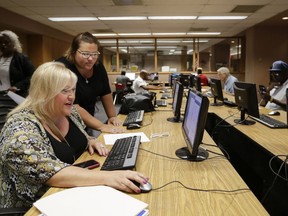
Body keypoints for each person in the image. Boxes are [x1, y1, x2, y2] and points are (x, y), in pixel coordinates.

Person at [0, 62, 149, 209]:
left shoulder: (69, 113)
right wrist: (110, 177)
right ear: (44, 93)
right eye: (64, 91)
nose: (72, 96)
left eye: (73, 90)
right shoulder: (19, 127)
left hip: (70, 191)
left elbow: (78, 137)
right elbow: (49, 171)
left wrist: (89, 140)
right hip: (36, 205)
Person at [56, 32, 121, 126]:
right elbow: (74, 106)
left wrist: (112, 117)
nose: (91, 59)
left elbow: (105, 92)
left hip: (88, 118)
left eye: (94, 54)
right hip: (65, 121)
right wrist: (101, 126)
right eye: (85, 54)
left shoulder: (98, 66)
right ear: (73, 52)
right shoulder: (63, 68)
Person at [0, 30, 35, 96]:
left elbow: (33, 76)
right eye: (0, 42)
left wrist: (17, 86)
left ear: (13, 43)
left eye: (6, 42)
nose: (3, 45)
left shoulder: (22, 58)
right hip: (2, 94)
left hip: (17, 95)